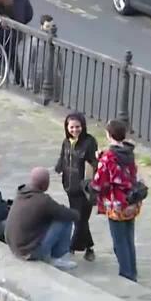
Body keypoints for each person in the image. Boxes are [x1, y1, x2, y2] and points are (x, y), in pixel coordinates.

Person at [90, 119, 141, 282]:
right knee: (128, 238)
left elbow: (101, 183)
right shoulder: (129, 153)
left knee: (119, 241)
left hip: (116, 203)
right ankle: (132, 270)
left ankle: (126, 273)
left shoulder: (108, 158)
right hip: (131, 201)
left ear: (108, 134)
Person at [5, 167, 79, 270]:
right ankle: (58, 257)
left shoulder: (21, 194)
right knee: (65, 220)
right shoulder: (43, 201)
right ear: (46, 184)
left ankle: (52, 254)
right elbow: (67, 213)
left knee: (52, 218)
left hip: (14, 246)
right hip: (28, 252)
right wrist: (78, 213)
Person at [54, 112, 98, 261]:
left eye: (77, 127)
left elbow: (94, 163)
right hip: (70, 187)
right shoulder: (66, 142)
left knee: (79, 219)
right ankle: (89, 247)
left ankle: (71, 247)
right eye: (71, 127)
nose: (74, 130)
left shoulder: (89, 142)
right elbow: (62, 157)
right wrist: (59, 168)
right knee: (80, 219)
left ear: (83, 126)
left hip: (84, 189)